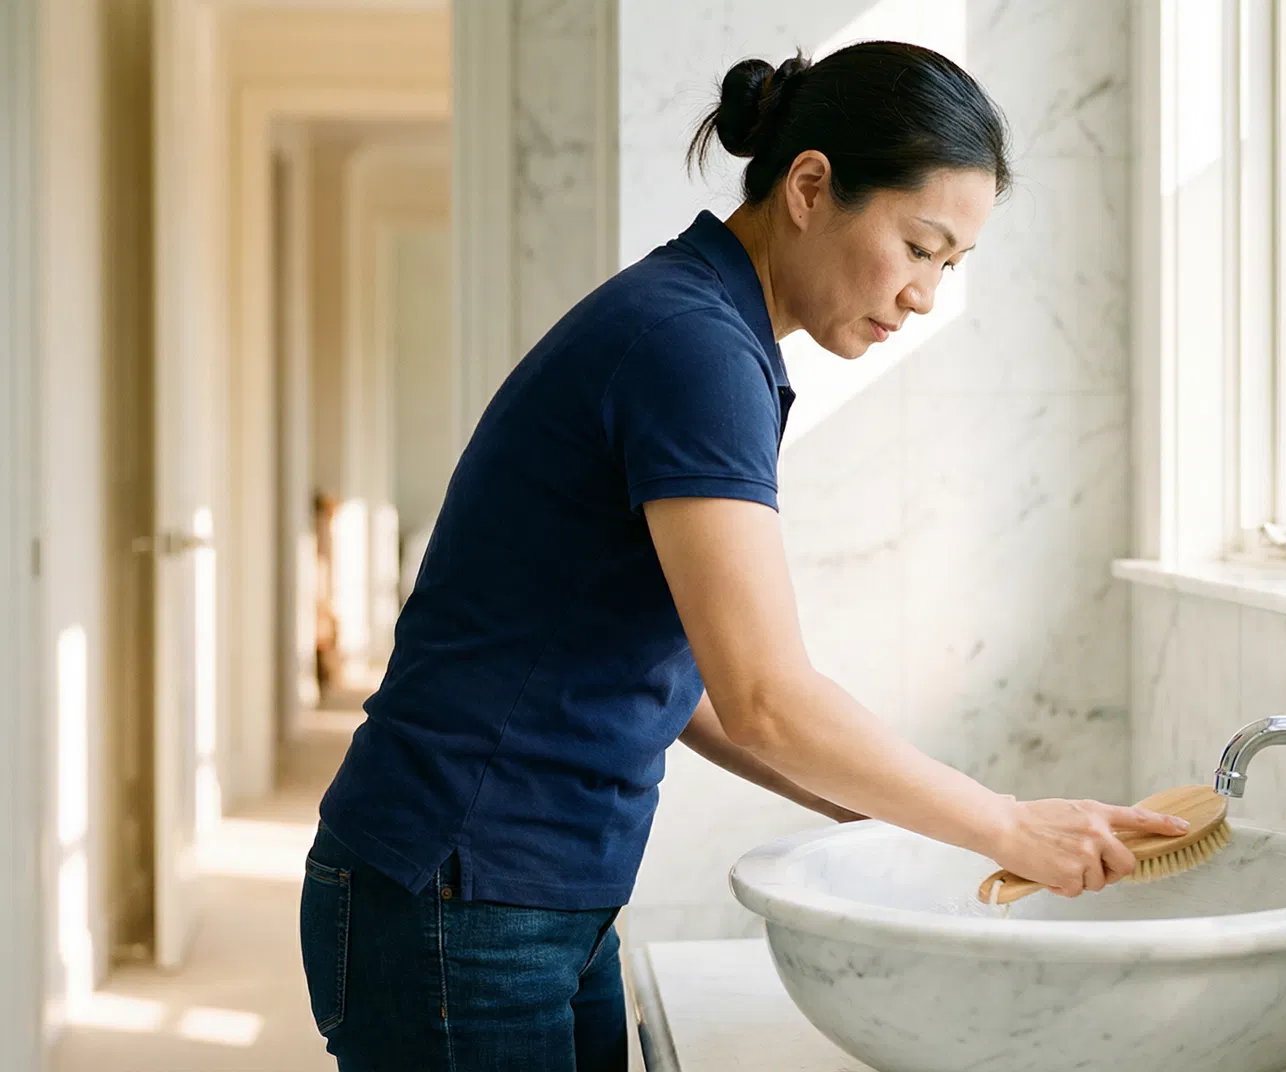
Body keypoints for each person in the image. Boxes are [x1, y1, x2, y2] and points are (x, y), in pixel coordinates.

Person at [298, 40, 1190, 1072]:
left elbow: (685, 687)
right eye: (917, 245)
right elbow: (766, 693)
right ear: (811, 185)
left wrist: (918, 812)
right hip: (466, 890)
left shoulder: (705, 328)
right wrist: (1002, 825)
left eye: (951, 265)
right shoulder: (694, 347)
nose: (925, 296)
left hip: (521, 892)